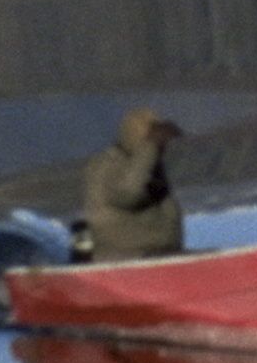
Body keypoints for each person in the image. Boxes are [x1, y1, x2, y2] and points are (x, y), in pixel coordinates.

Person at [71, 108, 184, 263]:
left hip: (160, 255)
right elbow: (128, 194)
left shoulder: (146, 163)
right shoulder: (109, 164)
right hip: (127, 257)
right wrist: (150, 146)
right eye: (158, 140)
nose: (163, 146)